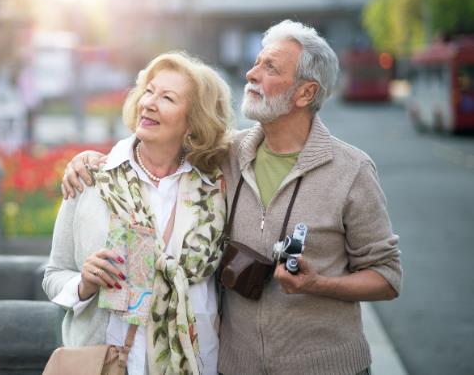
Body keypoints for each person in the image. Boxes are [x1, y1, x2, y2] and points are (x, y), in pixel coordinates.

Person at [61, 20, 402, 375]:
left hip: (327, 368)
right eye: (257, 62)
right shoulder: (225, 155)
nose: (252, 74)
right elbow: (156, 152)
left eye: (270, 68)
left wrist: (319, 284)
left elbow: (387, 276)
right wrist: (88, 160)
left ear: (305, 94)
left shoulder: (352, 170)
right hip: (237, 366)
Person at [43, 52, 233, 375]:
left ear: (193, 121)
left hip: (198, 362)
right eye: (148, 91)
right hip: (111, 363)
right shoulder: (92, 180)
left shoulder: (215, 189)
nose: (149, 103)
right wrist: (84, 284)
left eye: (167, 98)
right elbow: (53, 274)